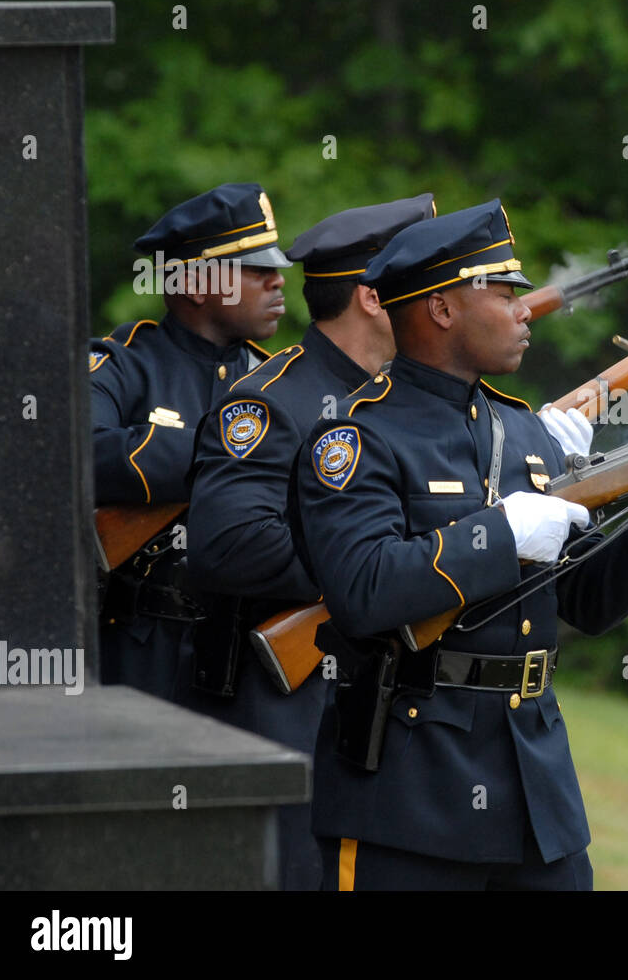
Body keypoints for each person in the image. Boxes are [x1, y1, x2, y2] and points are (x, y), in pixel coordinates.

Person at [292, 199, 628, 890]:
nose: (523, 310)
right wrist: (500, 533)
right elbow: (363, 590)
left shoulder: (529, 436)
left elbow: (589, 598)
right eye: (503, 291)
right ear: (442, 309)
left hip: (534, 788)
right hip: (409, 792)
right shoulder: (356, 439)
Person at [181, 194, 436, 890]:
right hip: (282, 698)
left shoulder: (396, 402)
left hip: (375, 699)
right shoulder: (270, 398)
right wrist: (372, 567)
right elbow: (228, 546)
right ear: (374, 298)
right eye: (426, 283)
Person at [93, 182, 292, 700]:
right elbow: (79, 454)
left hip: (246, 654)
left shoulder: (281, 384)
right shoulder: (124, 365)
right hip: (140, 648)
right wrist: (228, 455)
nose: (278, 282)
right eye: (256, 270)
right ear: (199, 284)